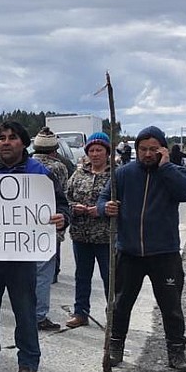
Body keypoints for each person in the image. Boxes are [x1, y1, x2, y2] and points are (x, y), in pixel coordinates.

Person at [0, 121, 69, 372]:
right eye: (1, 137)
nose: (5, 141)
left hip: (22, 257)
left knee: (25, 311)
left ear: (23, 143)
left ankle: (28, 363)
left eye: (12, 137)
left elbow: (61, 204)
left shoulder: (39, 173)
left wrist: (62, 218)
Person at [98, 125, 186, 372]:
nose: (148, 154)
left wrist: (166, 168)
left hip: (164, 254)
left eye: (154, 149)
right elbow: (102, 200)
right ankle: (115, 347)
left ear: (163, 150)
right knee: (120, 304)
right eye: (143, 149)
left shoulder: (174, 172)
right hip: (129, 252)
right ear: (136, 150)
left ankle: (176, 351)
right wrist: (106, 208)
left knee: (171, 306)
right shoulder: (123, 173)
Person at [65, 132, 112, 328]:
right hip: (80, 235)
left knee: (110, 278)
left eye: (99, 150)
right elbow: (65, 199)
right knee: (82, 276)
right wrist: (73, 208)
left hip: (106, 237)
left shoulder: (116, 175)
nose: (95, 154)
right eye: (91, 150)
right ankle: (80, 312)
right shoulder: (78, 174)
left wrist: (101, 210)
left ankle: (114, 315)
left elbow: (124, 203)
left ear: (107, 152)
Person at [31, 127, 70, 331]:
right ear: (54, 150)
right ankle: (38, 315)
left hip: (23, 229)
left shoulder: (26, 164)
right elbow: (63, 195)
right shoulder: (59, 168)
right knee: (43, 274)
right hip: (49, 226)